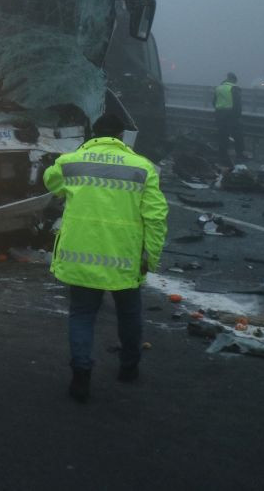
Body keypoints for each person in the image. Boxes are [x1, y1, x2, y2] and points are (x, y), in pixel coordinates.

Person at [43, 112, 168, 403]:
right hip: (124, 258)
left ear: (92, 134)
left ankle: (81, 376)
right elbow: (157, 216)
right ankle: (129, 367)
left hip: (80, 256)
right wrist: (153, 256)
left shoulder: (72, 162)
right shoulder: (143, 167)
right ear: (122, 137)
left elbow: (51, 183)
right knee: (129, 313)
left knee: (82, 315)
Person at [213, 72, 245, 167]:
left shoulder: (218, 88)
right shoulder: (234, 88)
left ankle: (222, 156)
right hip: (231, 116)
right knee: (237, 135)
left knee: (222, 136)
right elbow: (237, 105)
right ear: (234, 80)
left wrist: (220, 109)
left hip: (219, 115)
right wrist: (238, 116)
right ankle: (239, 155)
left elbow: (214, 102)